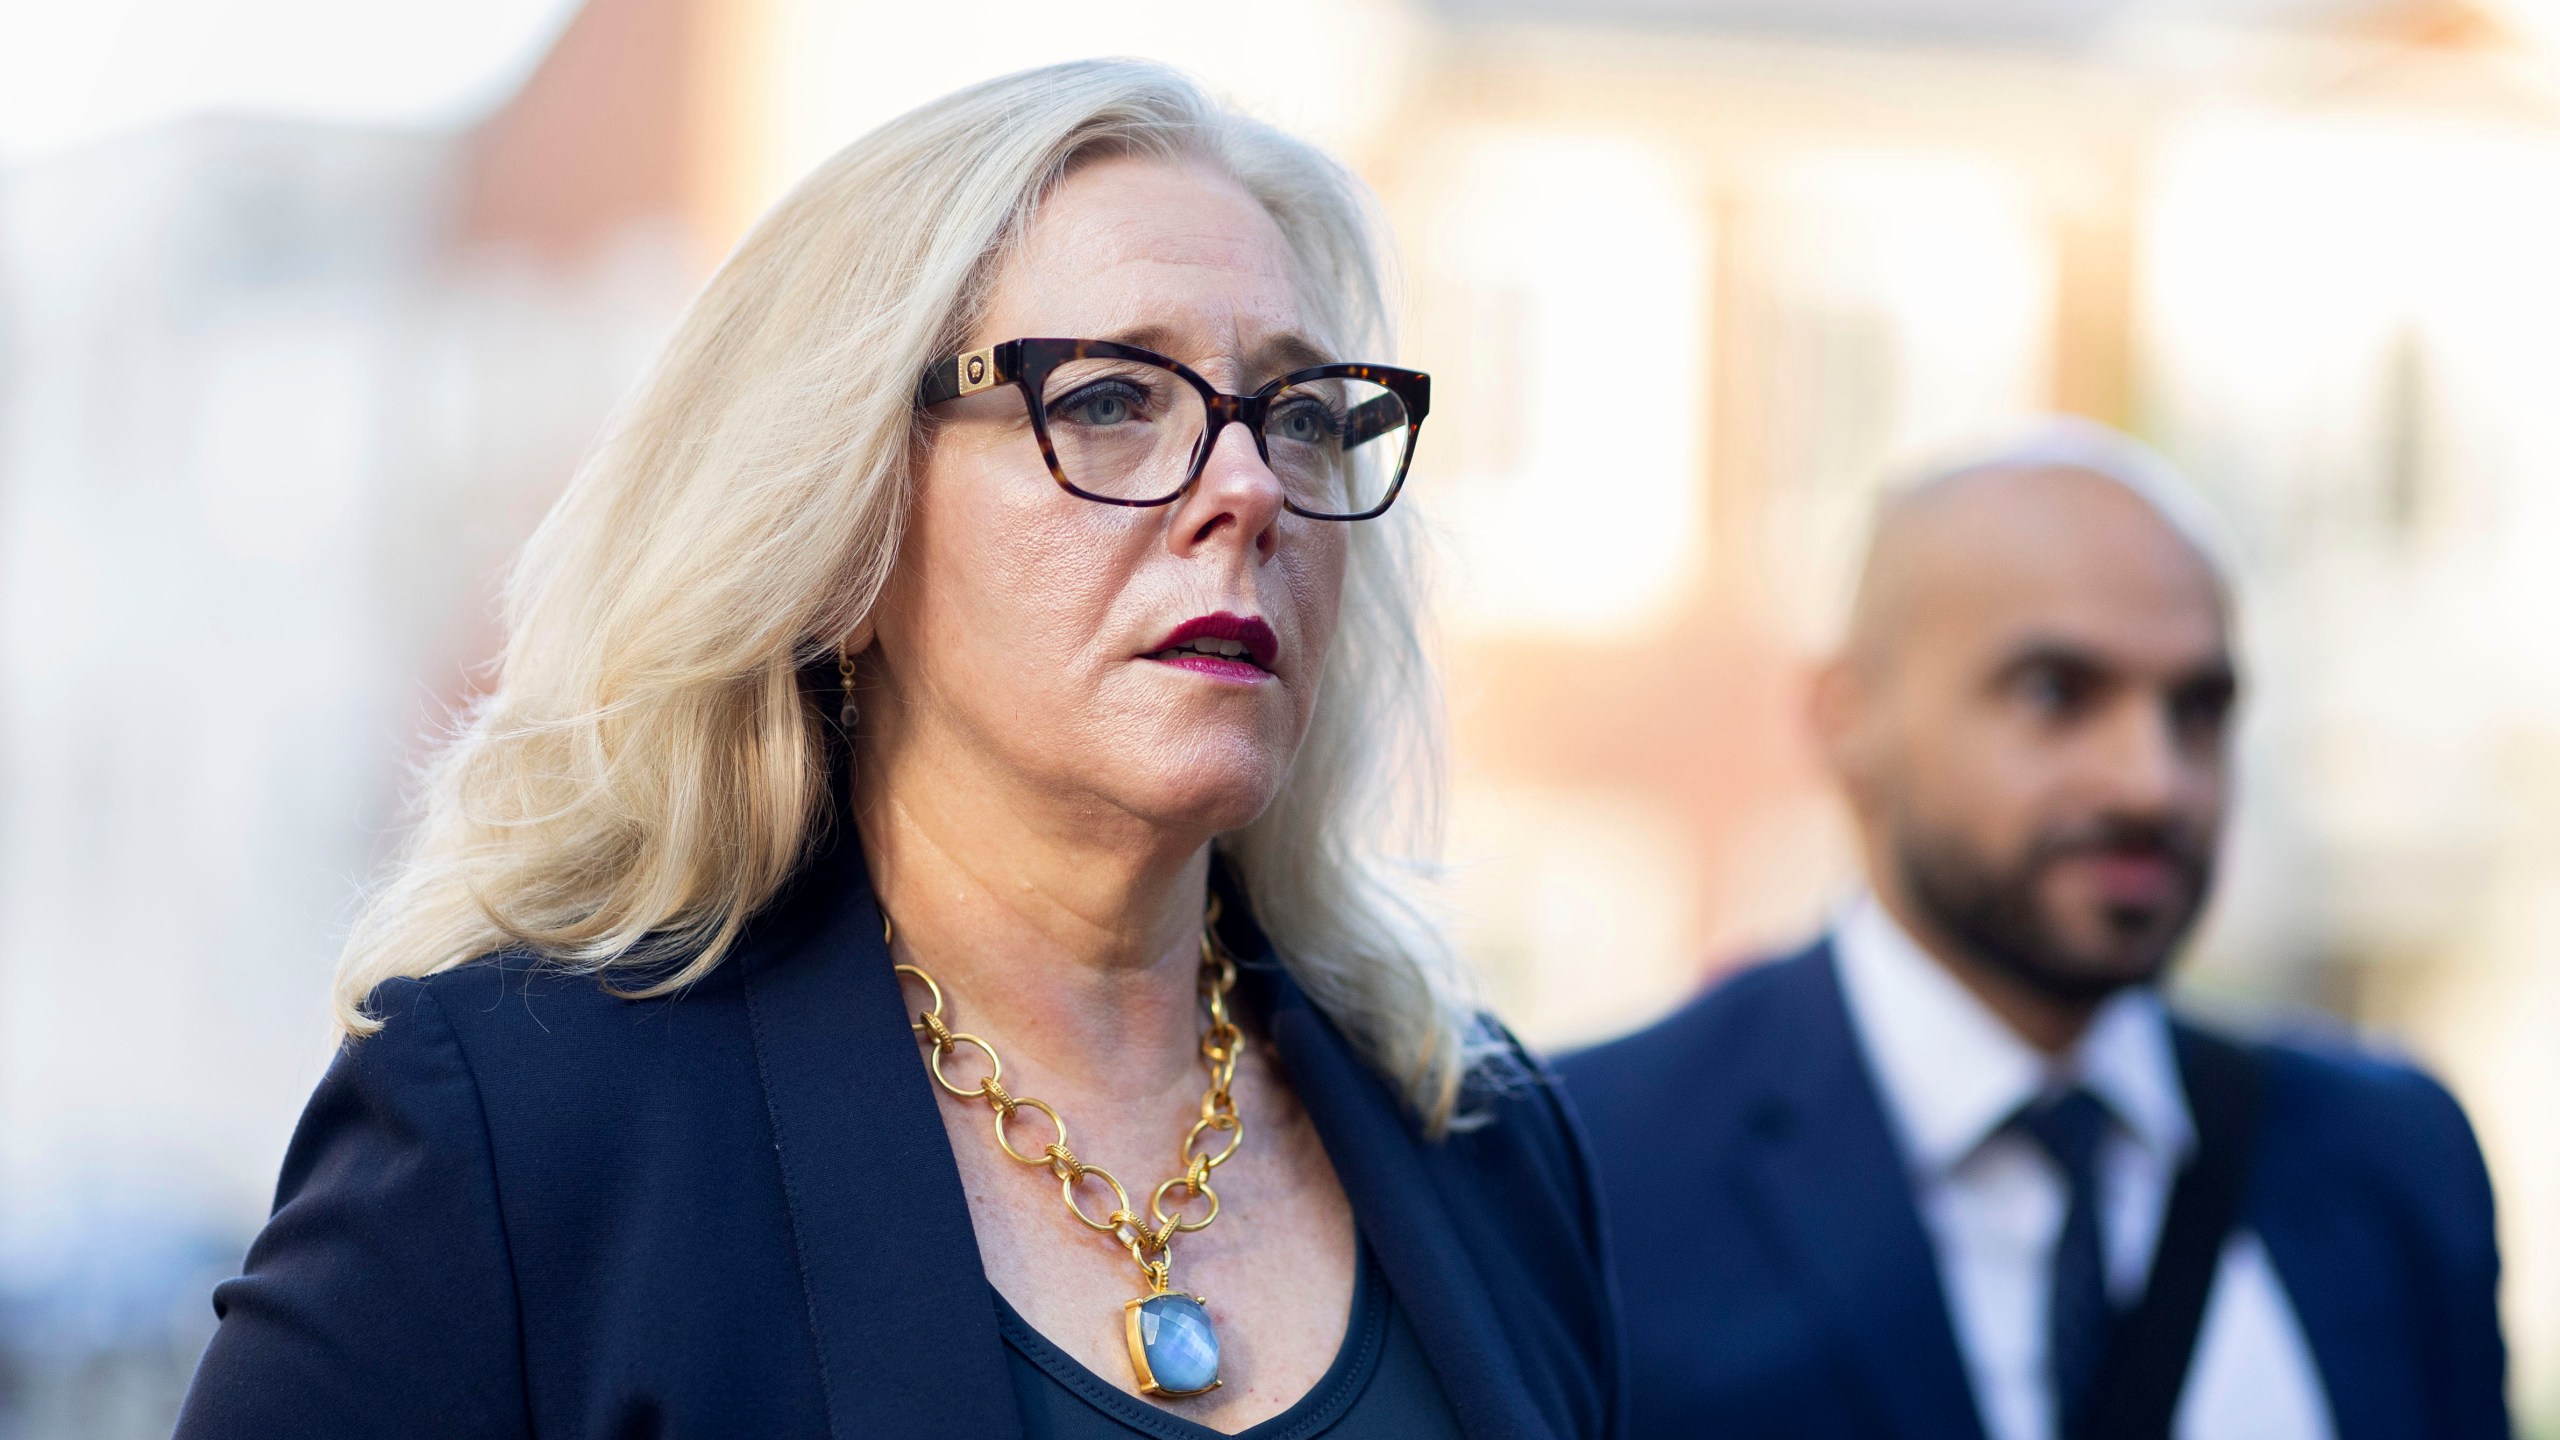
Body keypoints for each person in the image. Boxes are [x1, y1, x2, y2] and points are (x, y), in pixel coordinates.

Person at [176, 61, 1618, 1440]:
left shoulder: (1479, 1138)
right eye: (1112, 398)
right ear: (848, 534)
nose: (1247, 489)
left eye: (1299, 415)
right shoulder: (527, 1131)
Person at [1560, 421, 2507, 1440]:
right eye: (2057, 695)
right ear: (1845, 718)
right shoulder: (1588, 1169)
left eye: (2198, 708)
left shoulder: (2391, 1161)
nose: (2153, 781)